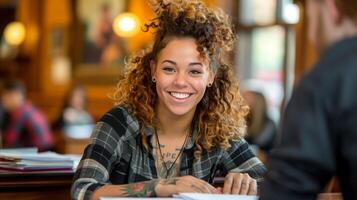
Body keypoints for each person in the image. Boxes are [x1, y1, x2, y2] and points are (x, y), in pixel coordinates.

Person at [72, 0, 266, 199]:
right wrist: (162, 186)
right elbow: (83, 190)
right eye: (169, 69)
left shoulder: (218, 130)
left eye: (195, 71)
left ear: (211, 77)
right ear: (153, 69)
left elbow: (267, 183)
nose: (181, 81)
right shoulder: (119, 123)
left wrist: (245, 180)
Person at [260, 0, 357, 199]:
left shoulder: (327, 79)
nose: (311, 34)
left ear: (331, 8)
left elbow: (287, 190)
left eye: (310, 17)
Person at [0, 79, 53, 151]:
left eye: (6, 96)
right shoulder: (28, 106)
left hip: (38, 152)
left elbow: (10, 139)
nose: (3, 100)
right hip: (46, 148)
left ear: (17, 95)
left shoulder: (20, 112)